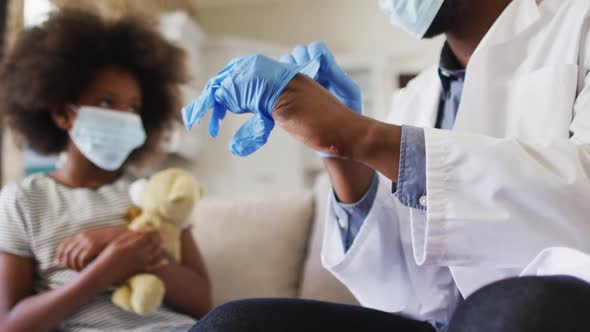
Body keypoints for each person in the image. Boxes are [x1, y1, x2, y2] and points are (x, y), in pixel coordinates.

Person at [183, 0, 590, 331]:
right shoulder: (415, 98)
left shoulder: (579, 23)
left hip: (546, 308)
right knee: (235, 325)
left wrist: (364, 137)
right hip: (451, 324)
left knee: (521, 306)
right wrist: (340, 152)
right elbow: (411, 296)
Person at [0, 9, 211, 332]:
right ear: (62, 113)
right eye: (107, 103)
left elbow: (202, 301)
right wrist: (107, 269)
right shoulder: (22, 200)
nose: (124, 116)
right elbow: (12, 324)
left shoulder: (154, 192)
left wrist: (129, 242)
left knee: (248, 315)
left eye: (134, 107)